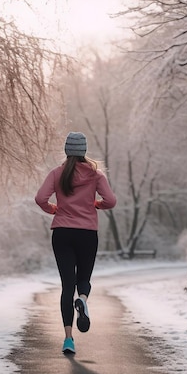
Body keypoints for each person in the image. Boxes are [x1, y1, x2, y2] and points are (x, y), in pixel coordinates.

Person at [35, 131, 116, 354]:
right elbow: (111, 201)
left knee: (66, 285)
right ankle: (82, 299)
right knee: (84, 279)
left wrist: (54, 209)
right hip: (87, 233)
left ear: (66, 150)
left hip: (62, 232)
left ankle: (69, 340)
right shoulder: (96, 175)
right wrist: (94, 205)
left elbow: (40, 199)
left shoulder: (57, 174)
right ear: (84, 151)